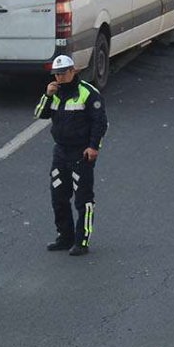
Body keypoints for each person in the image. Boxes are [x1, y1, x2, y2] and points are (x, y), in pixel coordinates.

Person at [33, 55, 108, 256]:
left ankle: (81, 241)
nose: (59, 77)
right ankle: (64, 237)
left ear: (73, 71)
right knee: (58, 196)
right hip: (60, 151)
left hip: (81, 153)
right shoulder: (54, 93)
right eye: (56, 74)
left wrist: (94, 147)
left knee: (83, 199)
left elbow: (100, 122)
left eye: (63, 73)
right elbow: (39, 114)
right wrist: (47, 95)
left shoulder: (87, 92)